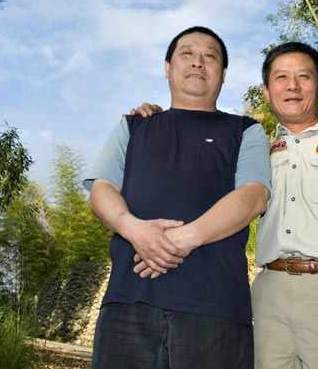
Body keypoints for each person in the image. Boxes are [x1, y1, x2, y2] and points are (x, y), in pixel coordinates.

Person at [132, 41, 318, 367]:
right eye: (281, 77)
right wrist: (158, 122)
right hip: (268, 297)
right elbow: (199, 178)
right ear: (267, 92)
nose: (292, 85)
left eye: (303, 76)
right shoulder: (254, 151)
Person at [84, 26, 272, 369]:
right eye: (187, 54)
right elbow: (101, 190)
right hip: (128, 305)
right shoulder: (134, 126)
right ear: (167, 67)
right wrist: (135, 230)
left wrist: (178, 241)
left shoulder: (246, 130)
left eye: (209, 56)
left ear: (223, 73)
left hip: (216, 310)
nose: (198, 62)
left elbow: (254, 195)